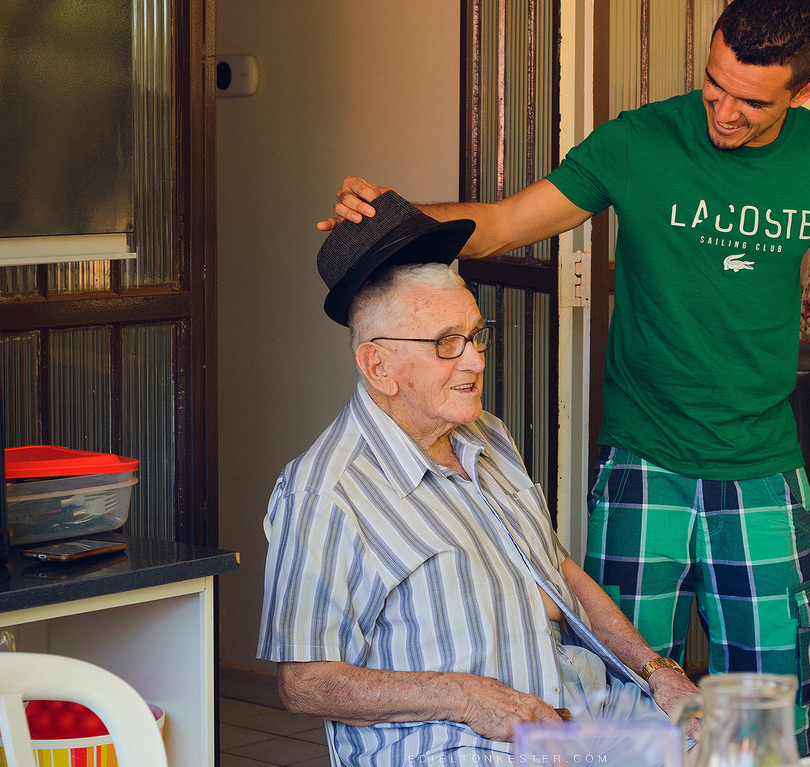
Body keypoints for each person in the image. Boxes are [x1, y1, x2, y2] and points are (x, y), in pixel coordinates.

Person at [316, 0, 810, 753]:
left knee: (775, 700)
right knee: (622, 695)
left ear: (804, 90)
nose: (723, 112)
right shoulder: (639, 142)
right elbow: (503, 225)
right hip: (645, 460)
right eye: (714, 85)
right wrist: (394, 216)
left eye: (751, 103)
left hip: (761, 466)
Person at [259, 191, 700, 767]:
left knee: (729, 748)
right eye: (446, 344)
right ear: (378, 366)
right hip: (462, 745)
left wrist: (656, 671)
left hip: (583, 710)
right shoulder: (324, 493)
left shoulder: (485, 434)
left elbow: (554, 568)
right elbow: (305, 683)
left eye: (474, 335)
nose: (474, 361)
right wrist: (468, 698)